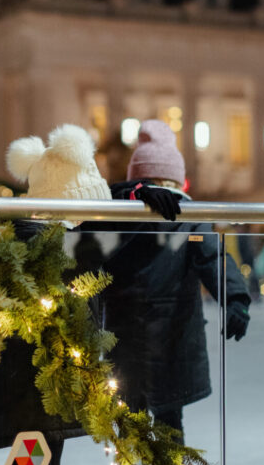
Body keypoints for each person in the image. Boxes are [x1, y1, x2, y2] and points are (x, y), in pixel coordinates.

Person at [100, 119, 250, 443]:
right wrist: (235, 297)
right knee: (167, 424)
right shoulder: (128, 211)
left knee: (132, 429)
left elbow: (211, 255)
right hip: (171, 340)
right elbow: (213, 256)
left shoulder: (115, 211)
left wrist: (235, 297)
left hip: (131, 337)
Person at [0, 124, 113, 465]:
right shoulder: (47, 247)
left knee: (40, 454)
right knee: (39, 454)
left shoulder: (41, 240)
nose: (89, 220)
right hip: (39, 384)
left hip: (41, 383)